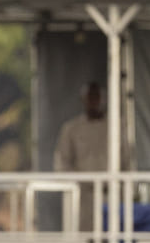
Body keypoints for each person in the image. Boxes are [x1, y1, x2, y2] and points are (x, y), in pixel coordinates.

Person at [54, 82, 129, 231]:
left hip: (112, 192)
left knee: (114, 235)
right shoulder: (71, 128)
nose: (94, 102)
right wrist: (79, 183)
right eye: (90, 98)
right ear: (83, 100)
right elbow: (62, 162)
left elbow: (127, 160)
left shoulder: (118, 126)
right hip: (84, 197)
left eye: (97, 97)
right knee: (85, 239)